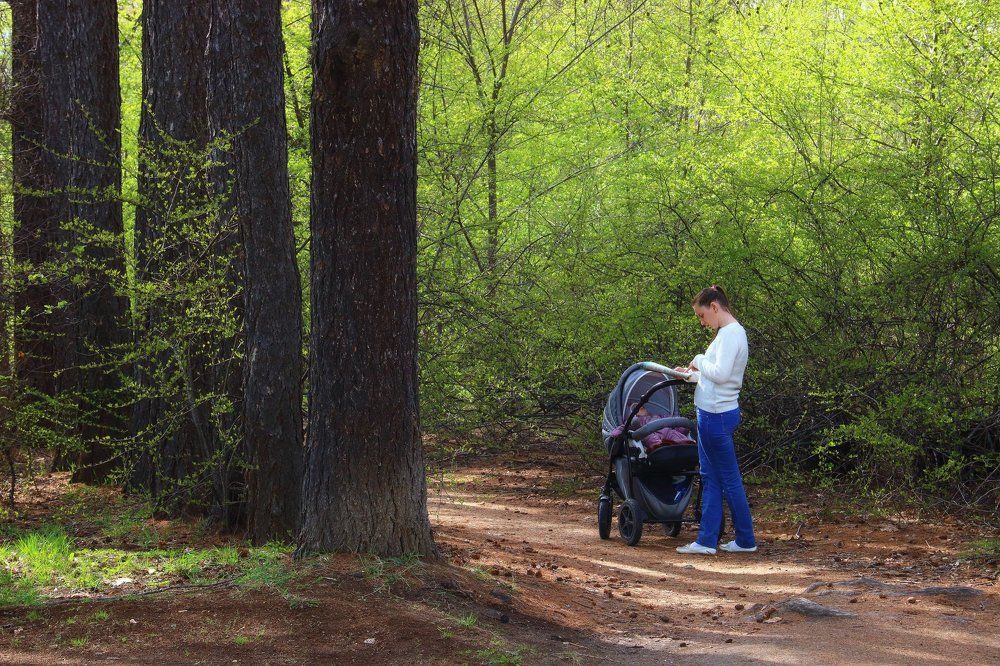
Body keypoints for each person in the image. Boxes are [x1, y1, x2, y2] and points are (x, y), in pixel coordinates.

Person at [673, 285, 757, 555]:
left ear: (715, 307)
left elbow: (720, 374)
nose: (702, 321)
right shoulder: (727, 334)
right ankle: (711, 540)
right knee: (714, 477)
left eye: (701, 315)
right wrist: (690, 375)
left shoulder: (732, 334)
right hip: (714, 411)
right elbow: (717, 377)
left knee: (725, 479)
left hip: (716, 416)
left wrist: (698, 359)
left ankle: (737, 540)